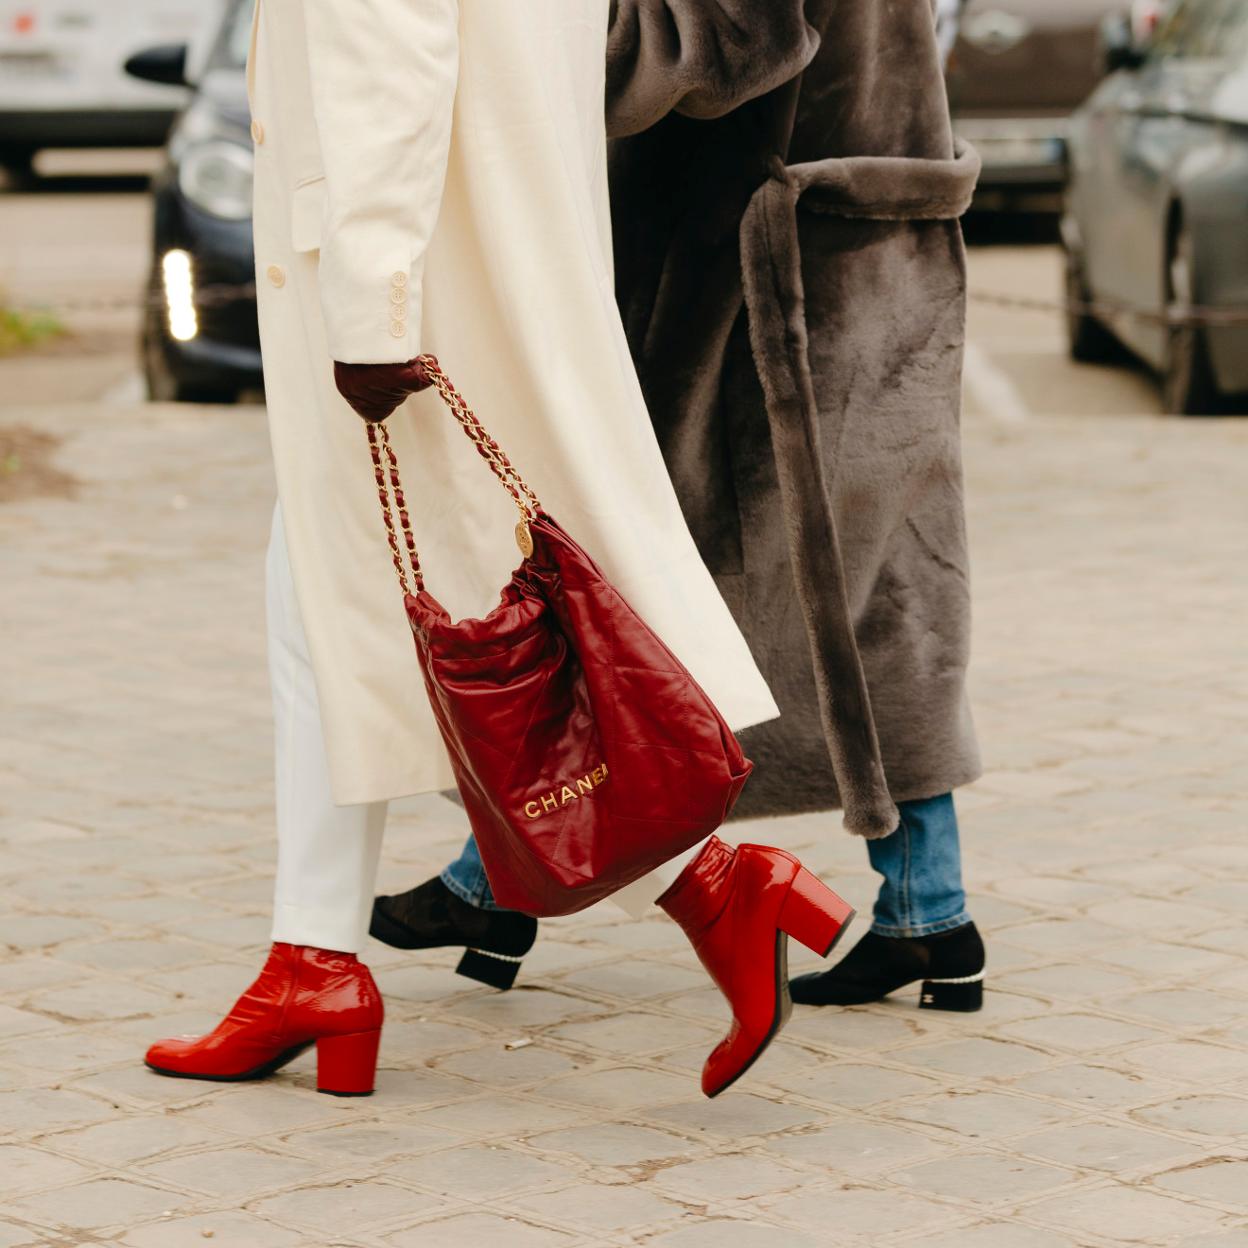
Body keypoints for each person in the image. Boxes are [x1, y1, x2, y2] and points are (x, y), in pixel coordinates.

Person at [142, 0, 853, 1102]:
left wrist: (374, 304)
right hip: (482, 243)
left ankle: (715, 888)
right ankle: (313, 957)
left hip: (420, 269)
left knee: (467, 613)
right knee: (331, 607)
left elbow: (393, 51)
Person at [378, 0, 989, 1015]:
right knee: (874, 604)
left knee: (623, 588)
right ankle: (929, 911)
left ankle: (497, 882)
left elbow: (710, 49)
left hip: (758, 302)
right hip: (861, 263)